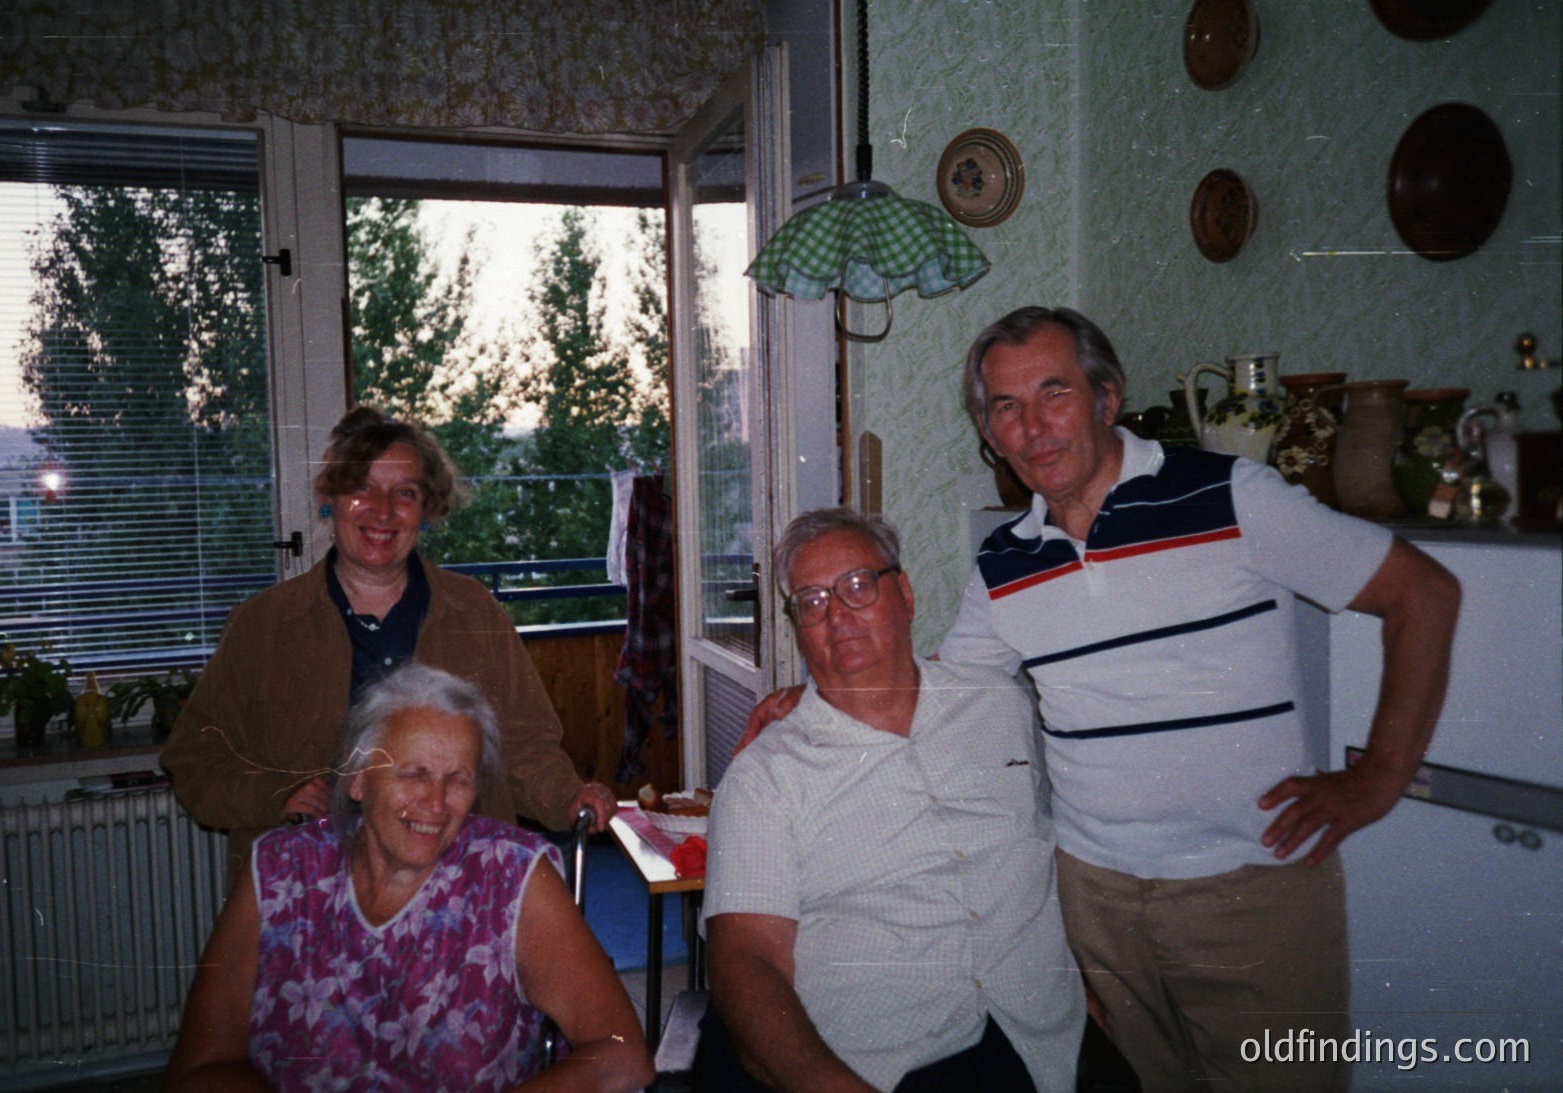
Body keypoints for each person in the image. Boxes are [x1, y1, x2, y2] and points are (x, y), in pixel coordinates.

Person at [745, 308, 1462, 1091]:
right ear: (988, 432)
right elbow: (933, 680)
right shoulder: (1004, 562)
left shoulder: (1232, 497)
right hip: (1093, 900)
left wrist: (1381, 775)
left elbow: (1422, 594)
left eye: (1052, 393)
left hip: (1251, 886)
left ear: (1106, 398)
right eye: (1004, 408)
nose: (1032, 427)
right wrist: (809, 697)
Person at [704, 508, 1084, 1093]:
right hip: (880, 1063)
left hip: (1045, 1038)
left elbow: (1051, 851)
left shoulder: (1000, 706)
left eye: (858, 586)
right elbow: (745, 963)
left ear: (904, 593)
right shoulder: (764, 779)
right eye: (811, 600)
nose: (837, 616)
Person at [162, 407, 616, 879]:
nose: (382, 511)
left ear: (427, 507)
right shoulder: (262, 626)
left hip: (457, 888)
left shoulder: (474, 612)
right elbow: (195, 760)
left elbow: (523, 748)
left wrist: (567, 796)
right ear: (329, 495)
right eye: (362, 487)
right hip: (309, 896)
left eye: (404, 493)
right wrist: (274, 795)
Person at [165, 663, 653, 1092]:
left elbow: (622, 1054)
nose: (436, 805)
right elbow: (199, 1069)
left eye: (458, 779)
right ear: (357, 779)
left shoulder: (511, 877)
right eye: (413, 774)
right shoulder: (278, 872)